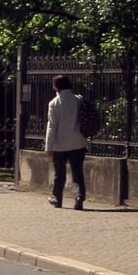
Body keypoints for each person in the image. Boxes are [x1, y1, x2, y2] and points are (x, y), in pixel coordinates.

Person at [44, 74, 88, 210]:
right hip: (78, 142)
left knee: (59, 174)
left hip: (60, 144)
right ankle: (79, 197)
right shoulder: (78, 100)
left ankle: (57, 199)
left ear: (56, 86)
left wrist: (48, 146)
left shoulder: (54, 103)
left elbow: (52, 126)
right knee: (77, 173)